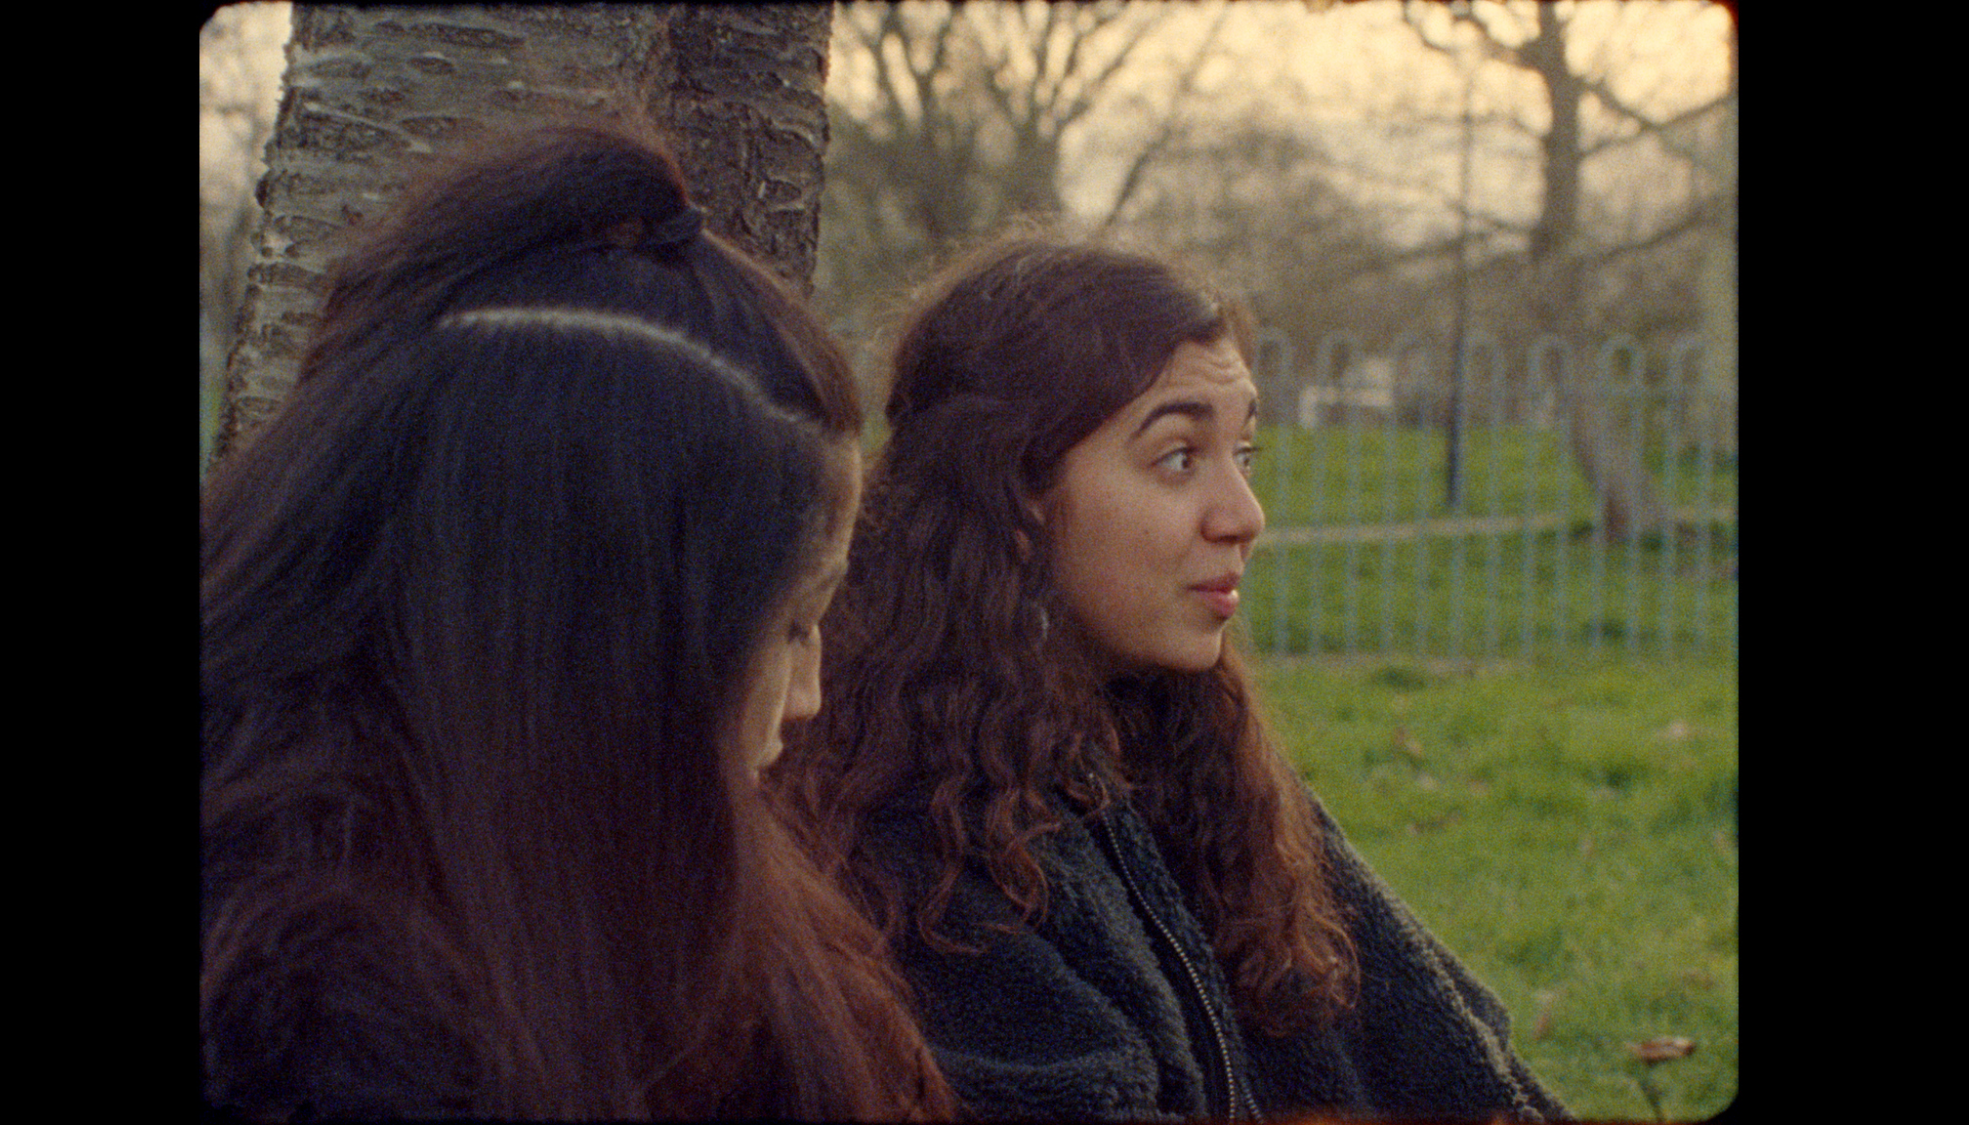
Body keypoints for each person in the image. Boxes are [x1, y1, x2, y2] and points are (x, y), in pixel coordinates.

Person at [200, 120, 954, 1120]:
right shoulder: (304, 1046)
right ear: (592, 639)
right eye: (788, 626)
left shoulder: (665, 906)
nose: (811, 695)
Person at [767, 233, 1569, 1122]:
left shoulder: (1188, 747)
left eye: (1245, 454)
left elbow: (1451, 1053)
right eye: (1180, 458)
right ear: (1015, 492)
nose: (1245, 515)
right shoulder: (913, 823)